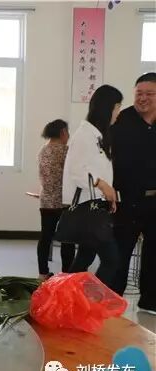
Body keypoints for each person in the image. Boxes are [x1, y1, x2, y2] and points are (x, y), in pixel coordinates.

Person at [62, 84, 123, 292]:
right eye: (117, 107)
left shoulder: (97, 136)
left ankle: (66, 297)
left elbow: (96, 170)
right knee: (111, 260)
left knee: (83, 259)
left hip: (95, 207)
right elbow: (77, 172)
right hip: (88, 208)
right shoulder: (84, 135)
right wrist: (102, 185)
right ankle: (90, 299)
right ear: (108, 108)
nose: (118, 112)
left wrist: (109, 196)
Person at [111, 72, 156, 312]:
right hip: (126, 200)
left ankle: (150, 302)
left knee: (154, 254)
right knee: (119, 253)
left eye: (150, 93)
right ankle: (112, 302)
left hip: (154, 199)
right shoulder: (122, 120)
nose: (143, 98)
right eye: (139, 93)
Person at [36, 119, 76, 279]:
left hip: (46, 201)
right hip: (64, 202)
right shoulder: (65, 151)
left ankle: (43, 273)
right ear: (63, 132)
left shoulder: (43, 150)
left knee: (45, 237)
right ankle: (66, 274)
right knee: (68, 239)